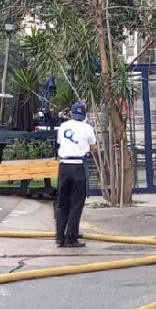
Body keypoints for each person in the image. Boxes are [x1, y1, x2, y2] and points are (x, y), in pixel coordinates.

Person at [55, 101, 98, 248]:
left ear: (71, 114)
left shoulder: (63, 126)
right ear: (84, 115)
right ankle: (71, 237)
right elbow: (93, 147)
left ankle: (60, 237)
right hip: (78, 167)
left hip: (64, 166)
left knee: (62, 203)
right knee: (76, 204)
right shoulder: (87, 128)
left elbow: (60, 142)